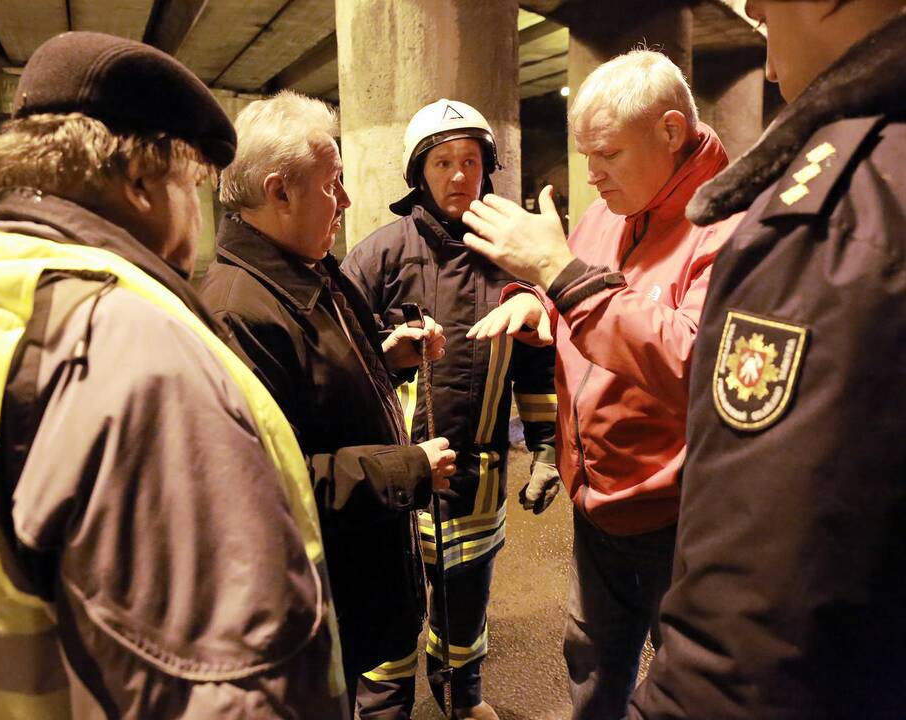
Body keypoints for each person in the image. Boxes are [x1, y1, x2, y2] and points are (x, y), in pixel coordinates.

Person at [0, 32, 348, 719]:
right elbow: (227, 682)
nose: (198, 216)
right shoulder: (132, 347)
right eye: (191, 184)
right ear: (140, 182)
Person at [627, 2, 906, 717]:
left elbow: (748, 646)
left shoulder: (837, 216)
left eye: (607, 152)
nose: (753, 6)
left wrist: (572, 287)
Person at [461, 51, 744, 719]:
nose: (590, 173)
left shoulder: (727, 226)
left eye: (607, 153)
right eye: (586, 154)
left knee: (687, 682)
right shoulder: (612, 208)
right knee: (590, 657)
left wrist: (560, 279)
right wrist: (539, 301)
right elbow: (576, 291)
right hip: (598, 497)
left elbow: (696, 363)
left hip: (679, 512)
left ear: (670, 131)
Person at [198, 91, 457, 705]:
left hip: (351, 594)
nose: (345, 201)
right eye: (332, 184)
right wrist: (408, 468)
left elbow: (315, 398)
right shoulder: (239, 311)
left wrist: (382, 361)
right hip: (313, 610)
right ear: (278, 191)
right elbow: (264, 489)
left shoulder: (305, 268)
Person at [341, 99, 558, 720]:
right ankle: (382, 709)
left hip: (475, 476)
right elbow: (343, 366)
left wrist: (545, 446)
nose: (460, 175)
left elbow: (537, 360)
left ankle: (462, 699)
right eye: (443, 162)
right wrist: (386, 354)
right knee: (386, 607)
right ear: (419, 173)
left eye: (471, 161)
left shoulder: (512, 257)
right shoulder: (377, 257)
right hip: (395, 479)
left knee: (465, 607)